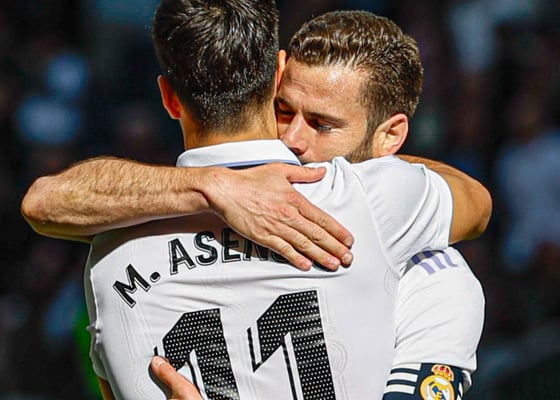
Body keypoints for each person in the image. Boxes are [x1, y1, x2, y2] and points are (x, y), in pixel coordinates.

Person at [21, 3, 490, 400]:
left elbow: (45, 201)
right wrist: (217, 186)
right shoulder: (378, 205)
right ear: (278, 75)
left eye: (323, 125)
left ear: (168, 97)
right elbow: (475, 203)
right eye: (285, 111)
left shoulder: (107, 260)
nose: (294, 138)